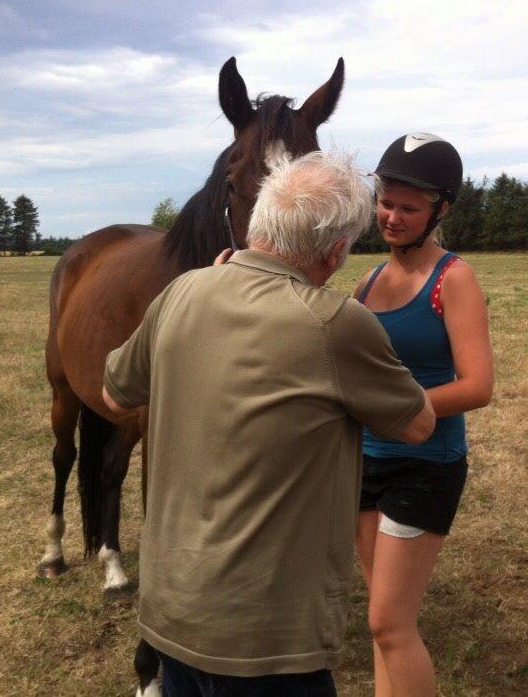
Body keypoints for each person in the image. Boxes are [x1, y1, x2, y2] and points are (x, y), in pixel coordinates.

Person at [102, 151, 436, 696]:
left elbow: (113, 394)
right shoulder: (334, 323)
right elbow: (418, 424)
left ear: (258, 223)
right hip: (264, 638)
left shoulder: (181, 292)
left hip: (171, 612)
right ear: (335, 252)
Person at [353, 133, 494, 697]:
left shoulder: (452, 278)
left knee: (391, 623)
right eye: (386, 202)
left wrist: (394, 408)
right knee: (380, 621)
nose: (392, 217)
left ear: (441, 211)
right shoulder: (367, 281)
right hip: (364, 461)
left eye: (408, 208)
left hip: (425, 465)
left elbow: (478, 385)